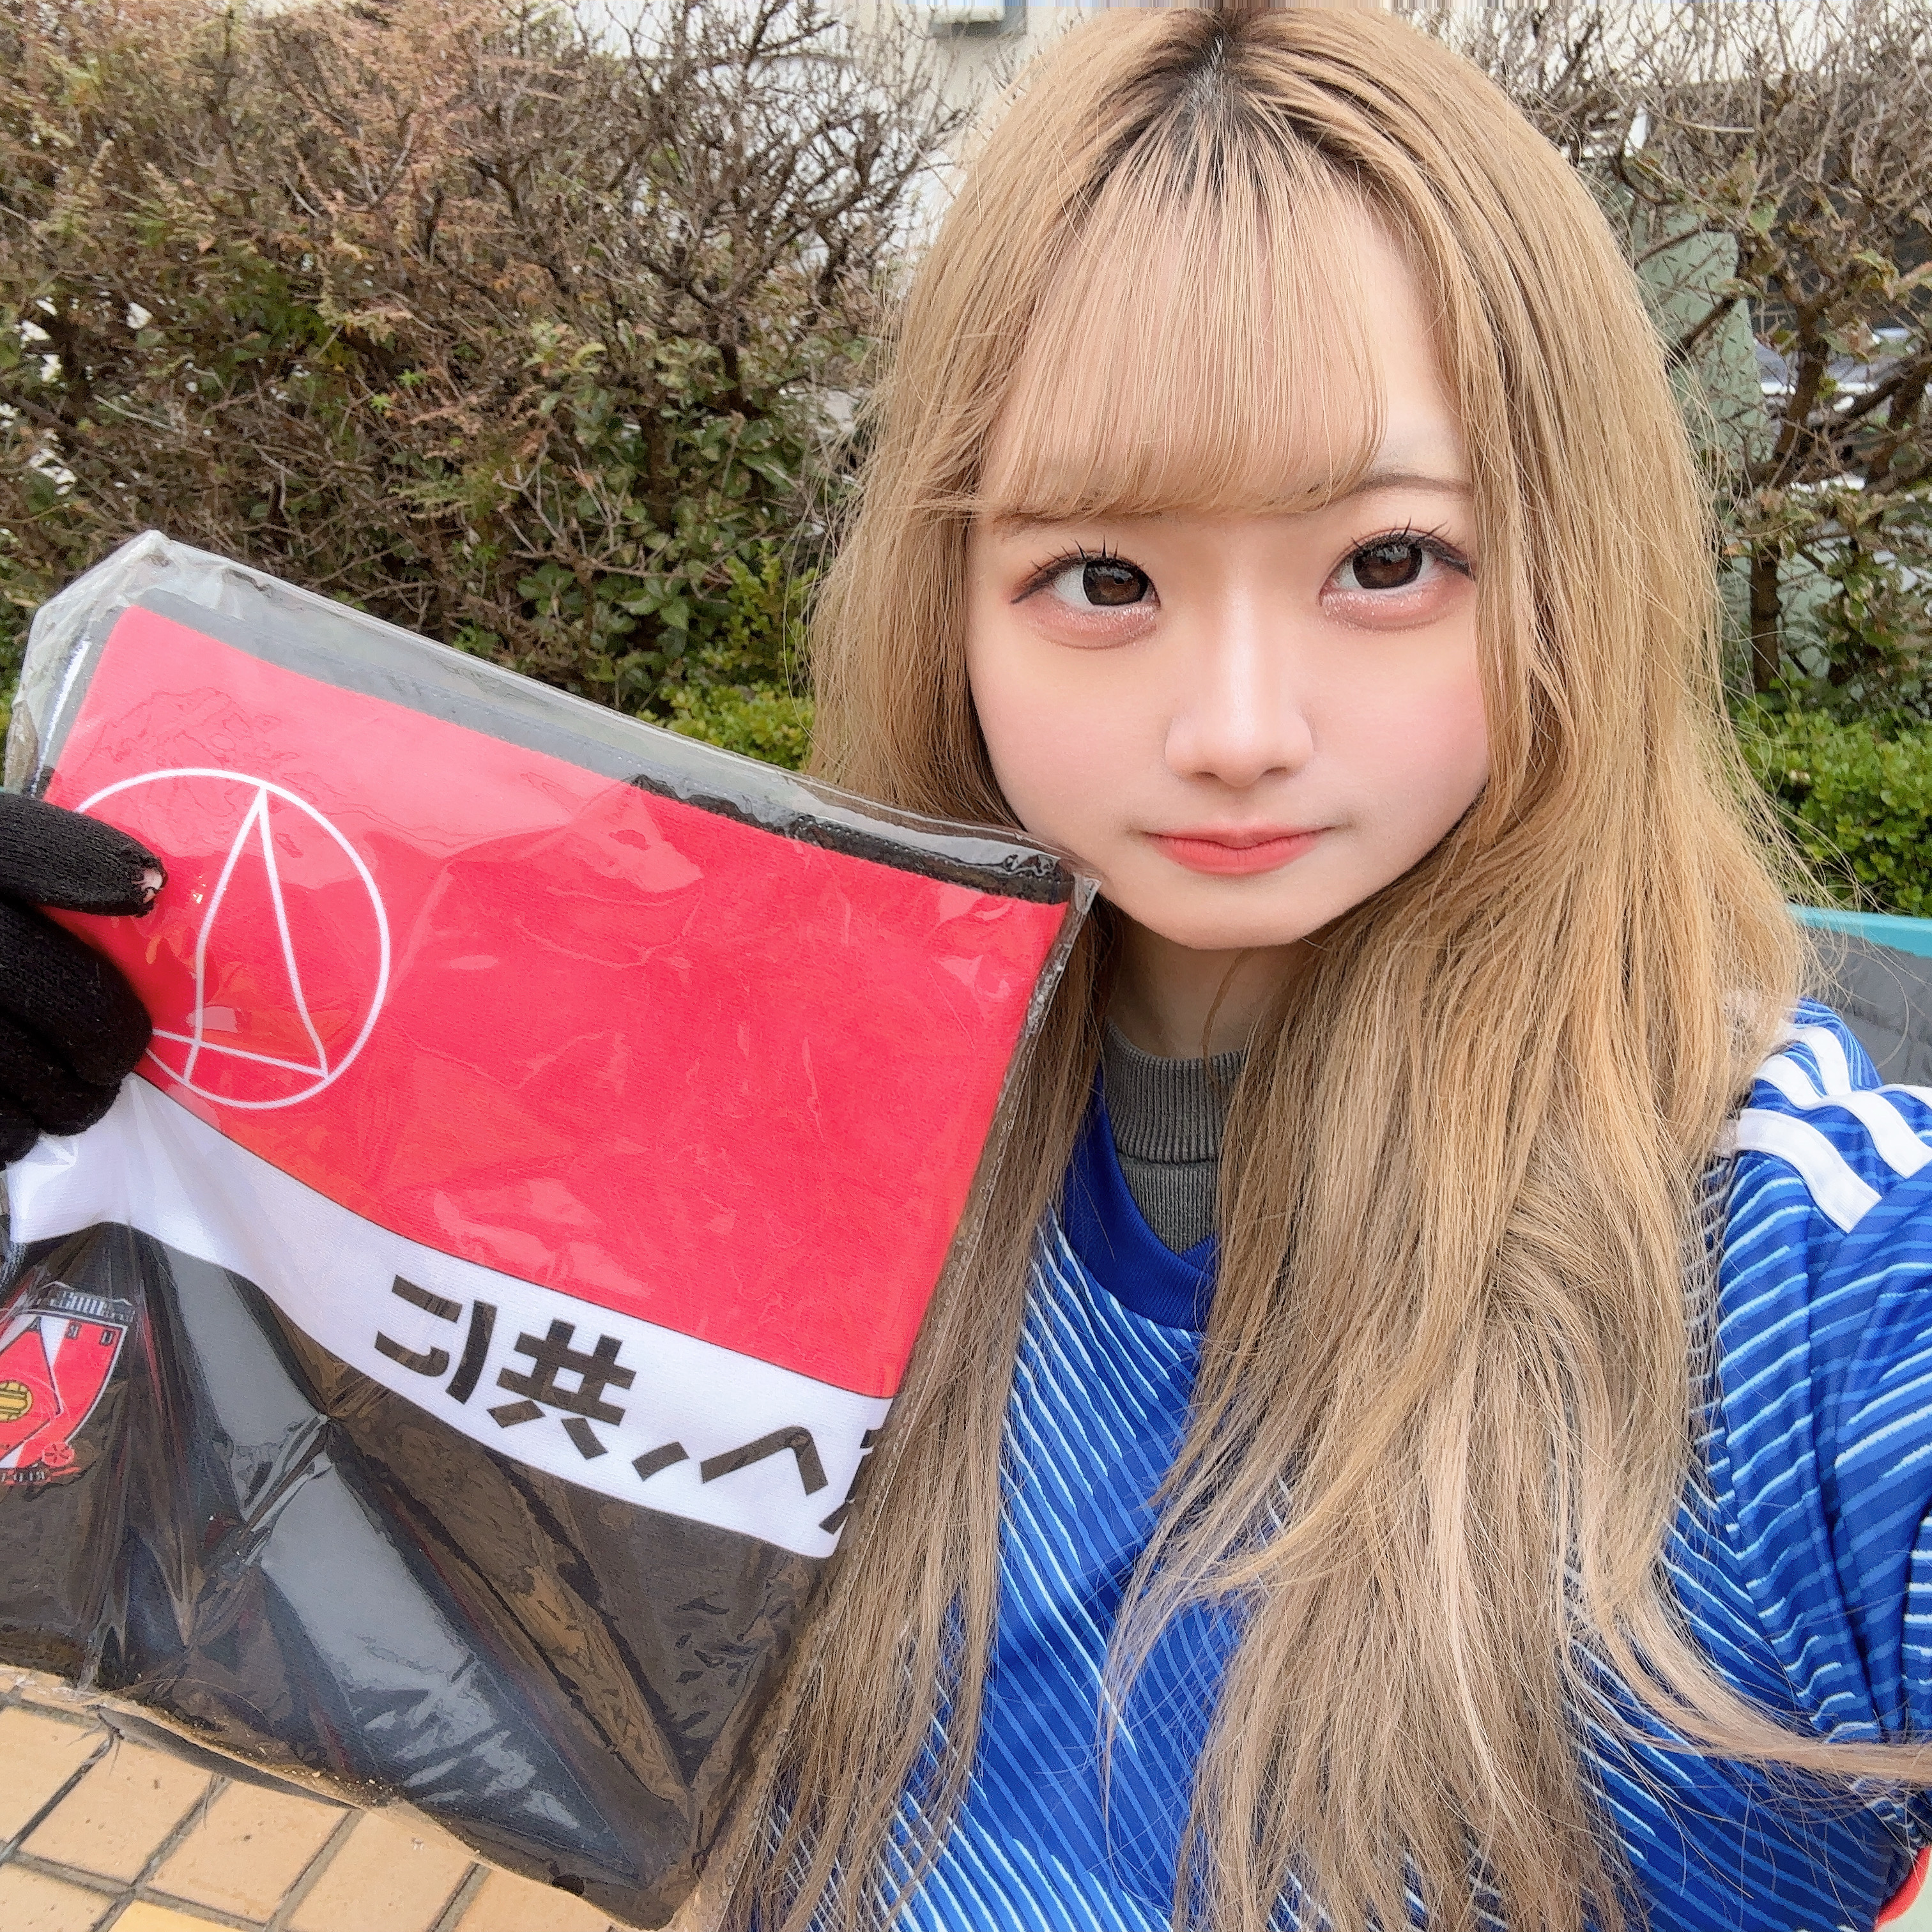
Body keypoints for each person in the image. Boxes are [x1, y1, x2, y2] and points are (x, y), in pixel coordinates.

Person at [4, 7, 1932, 1930]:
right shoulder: (758, 1102)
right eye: (1104, 579)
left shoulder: (1790, 1288)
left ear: (1576, 562)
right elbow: (262, 1502)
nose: (1238, 729)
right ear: (953, 599)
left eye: (1388, 561)